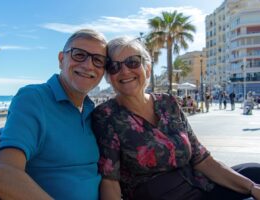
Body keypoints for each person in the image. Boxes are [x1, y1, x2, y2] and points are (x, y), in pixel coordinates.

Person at [91, 37, 260, 200]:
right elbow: (110, 181)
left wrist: (252, 188)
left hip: (201, 186)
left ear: (148, 69)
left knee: (254, 171)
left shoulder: (167, 102)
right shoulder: (106, 116)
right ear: (108, 76)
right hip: (166, 195)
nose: (125, 71)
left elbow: (202, 159)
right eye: (114, 66)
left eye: (133, 62)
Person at [0, 29, 108, 200]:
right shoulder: (33, 99)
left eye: (98, 60)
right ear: (61, 59)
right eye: (79, 55)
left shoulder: (89, 110)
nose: (89, 65)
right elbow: (3, 175)